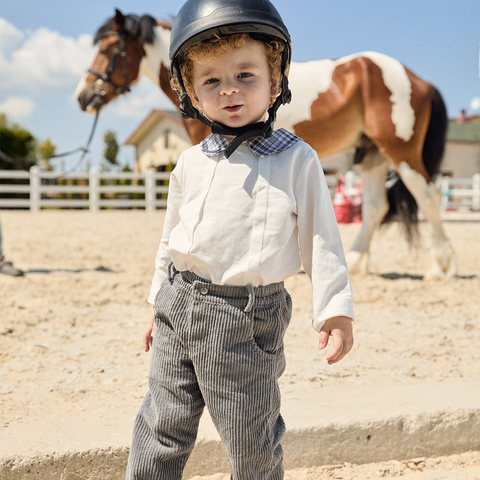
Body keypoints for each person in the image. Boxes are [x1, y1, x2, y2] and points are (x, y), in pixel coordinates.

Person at [126, 0, 354, 479]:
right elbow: (171, 239)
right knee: (160, 427)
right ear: (190, 90)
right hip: (177, 305)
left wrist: (333, 308)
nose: (229, 90)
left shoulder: (296, 159)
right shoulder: (190, 161)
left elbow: (320, 234)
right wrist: (155, 303)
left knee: (251, 437)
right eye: (211, 80)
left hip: (244, 317)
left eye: (245, 75)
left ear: (275, 81)